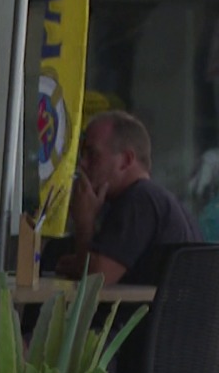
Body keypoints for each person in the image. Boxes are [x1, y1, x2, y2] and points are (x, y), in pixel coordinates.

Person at [55, 110, 201, 285]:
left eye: (92, 154)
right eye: (82, 155)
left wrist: (84, 221)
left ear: (126, 160)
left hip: (139, 312)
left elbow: (97, 278)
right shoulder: (158, 200)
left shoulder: (140, 200)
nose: (83, 164)